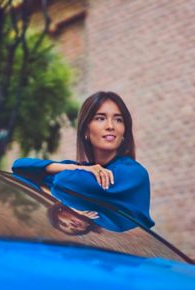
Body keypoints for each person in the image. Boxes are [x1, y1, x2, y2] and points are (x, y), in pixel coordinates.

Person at [12, 91, 154, 229]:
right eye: (100, 118)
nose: (110, 126)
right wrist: (77, 168)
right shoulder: (82, 170)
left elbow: (64, 183)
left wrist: (56, 184)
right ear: (85, 130)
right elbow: (19, 167)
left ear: (124, 132)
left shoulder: (134, 173)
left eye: (118, 120)